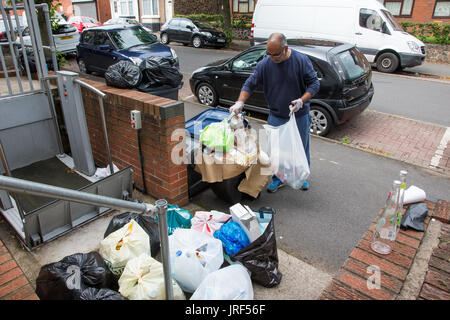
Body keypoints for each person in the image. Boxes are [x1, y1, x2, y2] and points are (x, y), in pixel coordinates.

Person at [229, 33, 320, 192]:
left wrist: (301, 100)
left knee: (300, 146)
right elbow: (249, 84)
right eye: (269, 54)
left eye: (276, 55)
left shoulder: (300, 61)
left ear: (285, 49)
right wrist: (240, 102)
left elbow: (314, 84)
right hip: (276, 115)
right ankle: (279, 178)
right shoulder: (265, 64)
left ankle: (301, 176)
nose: (272, 58)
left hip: (299, 114)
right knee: (277, 151)